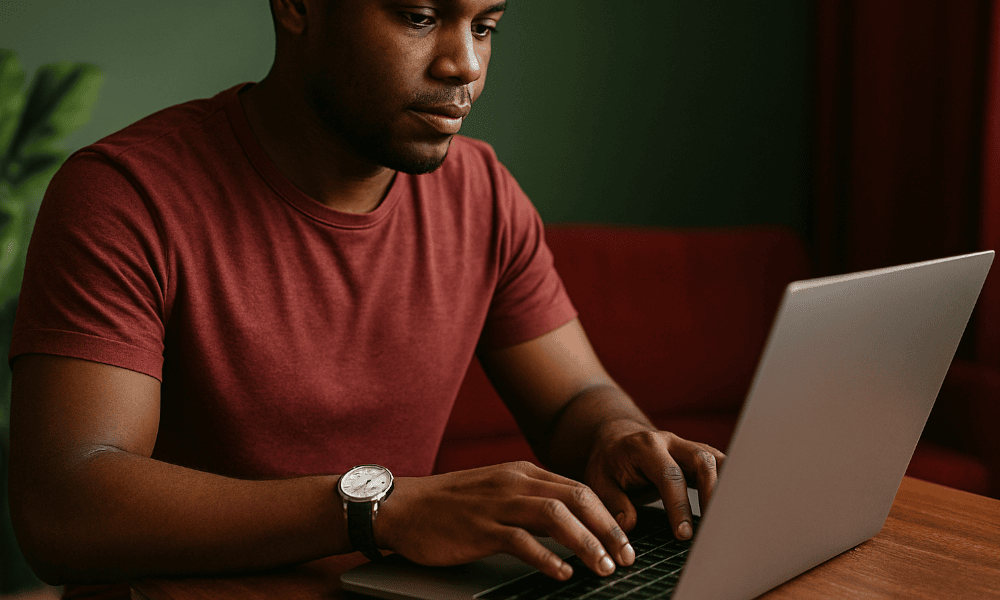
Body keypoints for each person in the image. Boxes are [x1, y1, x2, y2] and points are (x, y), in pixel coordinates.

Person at [7, 0, 725, 597]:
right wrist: (376, 510)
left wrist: (618, 439)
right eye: (419, 17)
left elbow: (575, 400)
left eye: (485, 26)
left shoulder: (484, 195)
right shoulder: (125, 197)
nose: (465, 66)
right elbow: (64, 508)